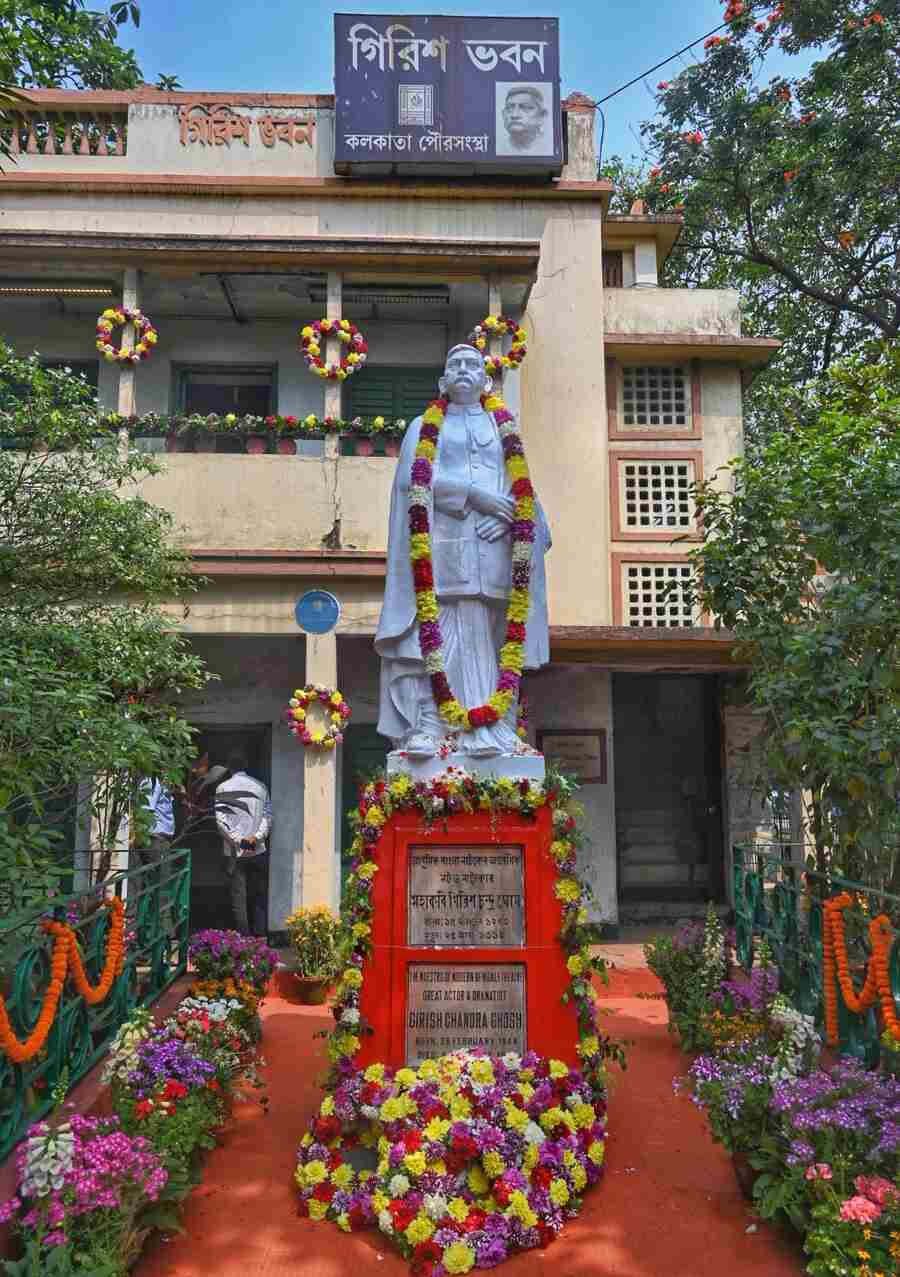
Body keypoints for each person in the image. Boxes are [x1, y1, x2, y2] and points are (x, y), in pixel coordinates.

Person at [375, 343, 550, 758]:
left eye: (472, 364)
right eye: (455, 364)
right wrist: (473, 495)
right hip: (443, 551)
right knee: (443, 633)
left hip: (497, 555)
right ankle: (433, 727)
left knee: (494, 638)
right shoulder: (423, 425)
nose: (463, 370)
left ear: (487, 380)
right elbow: (410, 483)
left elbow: (521, 491)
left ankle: (495, 727)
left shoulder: (502, 428)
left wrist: (507, 515)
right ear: (443, 380)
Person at [213, 749, 271, 936]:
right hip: (257, 849)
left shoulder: (223, 788)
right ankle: (260, 935)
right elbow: (267, 816)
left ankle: (243, 937)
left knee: (238, 896)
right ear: (246, 766)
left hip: (234, 851)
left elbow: (222, 822)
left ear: (229, 767)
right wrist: (256, 837)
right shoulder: (260, 786)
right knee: (259, 894)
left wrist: (239, 841)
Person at [499, 85, 550, 155]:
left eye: (525, 108)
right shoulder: (499, 148)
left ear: (542, 116)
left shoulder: (548, 148)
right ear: (503, 114)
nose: (514, 115)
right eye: (509, 108)